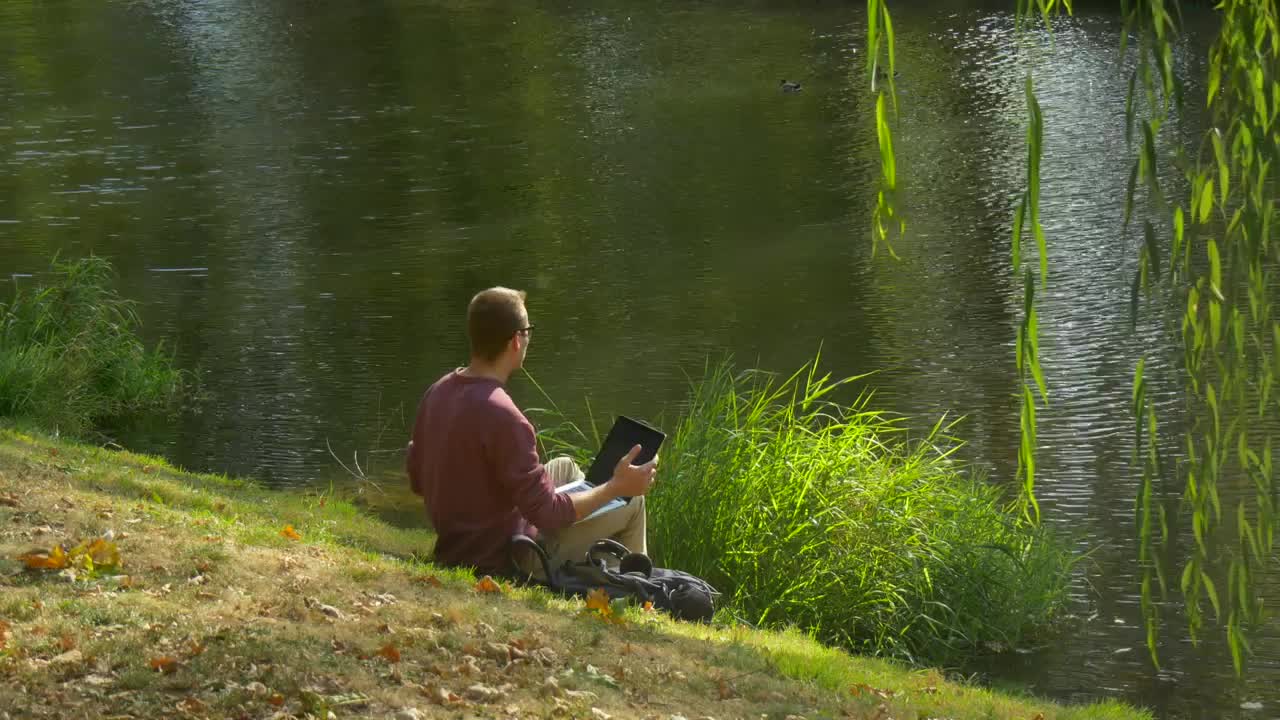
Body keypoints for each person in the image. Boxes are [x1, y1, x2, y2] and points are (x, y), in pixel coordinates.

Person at [405, 286, 658, 578]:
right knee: (633, 502)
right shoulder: (505, 416)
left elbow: (417, 478)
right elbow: (548, 513)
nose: (529, 338)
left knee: (563, 465)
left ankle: (599, 564)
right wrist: (615, 487)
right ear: (515, 340)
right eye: (528, 330)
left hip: (458, 542)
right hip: (508, 556)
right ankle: (635, 589)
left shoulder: (438, 391)